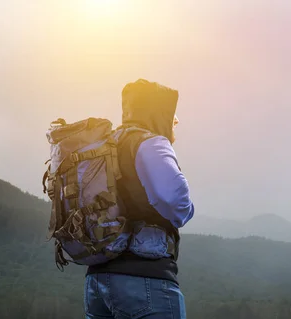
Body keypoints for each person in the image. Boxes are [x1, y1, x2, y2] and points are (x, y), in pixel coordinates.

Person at [83, 79, 195, 319]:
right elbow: (175, 201)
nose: (173, 125)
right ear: (158, 114)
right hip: (145, 280)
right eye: (171, 118)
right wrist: (186, 211)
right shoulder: (151, 143)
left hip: (97, 281)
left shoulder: (106, 145)